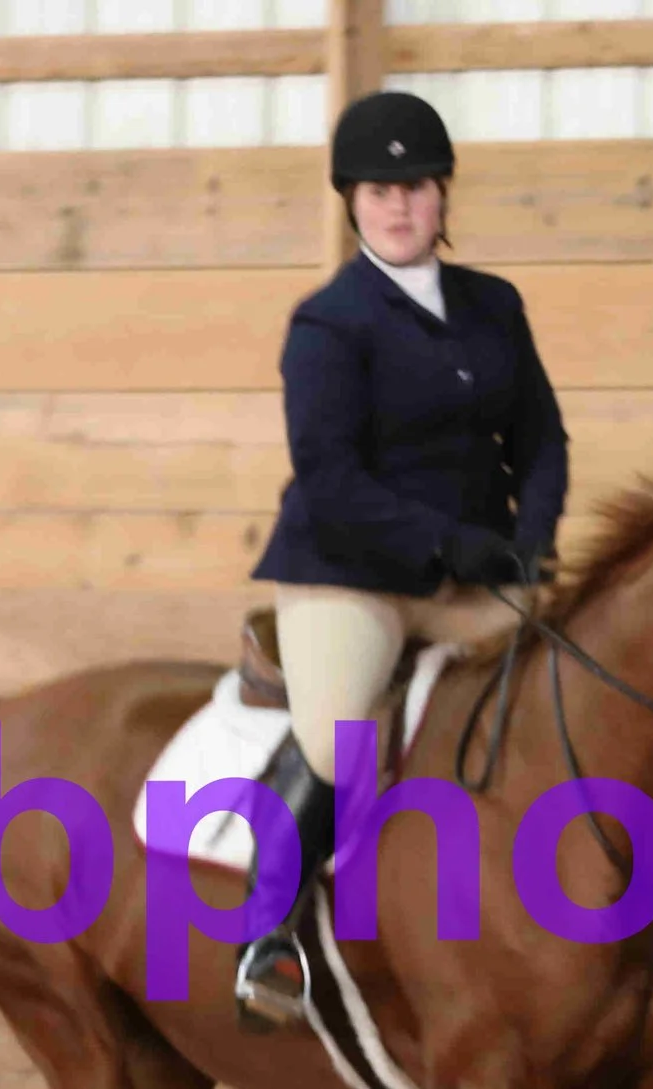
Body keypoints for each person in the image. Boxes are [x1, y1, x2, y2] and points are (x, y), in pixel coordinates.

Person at [232, 87, 570, 1032]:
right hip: (350, 575)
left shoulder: (494, 306)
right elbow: (331, 478)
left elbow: (541, 436)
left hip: (481, 574)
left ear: (442, 195)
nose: (400, 205)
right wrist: (453, 543)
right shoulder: (329, 323)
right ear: (353, 200)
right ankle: (268, 936)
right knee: (339, 738)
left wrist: (534, 538)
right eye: (380, 190)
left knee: (574, 690)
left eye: (416, 186)